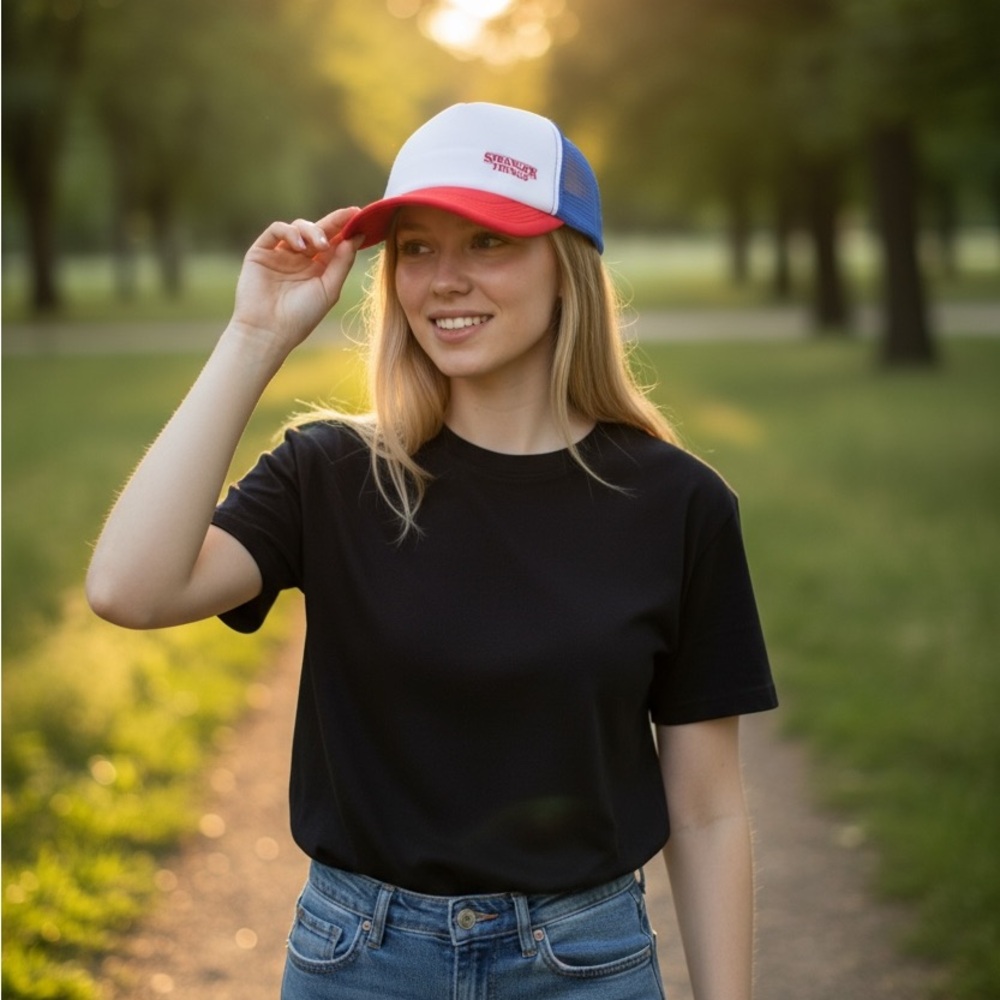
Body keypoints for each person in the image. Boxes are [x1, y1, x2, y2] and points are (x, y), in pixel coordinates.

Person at [87, 102, 777, 1000]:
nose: (444, 279)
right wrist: (255, 335)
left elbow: (709, 809)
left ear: (567, 265)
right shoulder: (330, 473)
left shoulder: (680, 505)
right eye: (417, 247)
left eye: (488, 241)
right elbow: (129, 589)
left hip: (583, 966)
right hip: (357, 961)